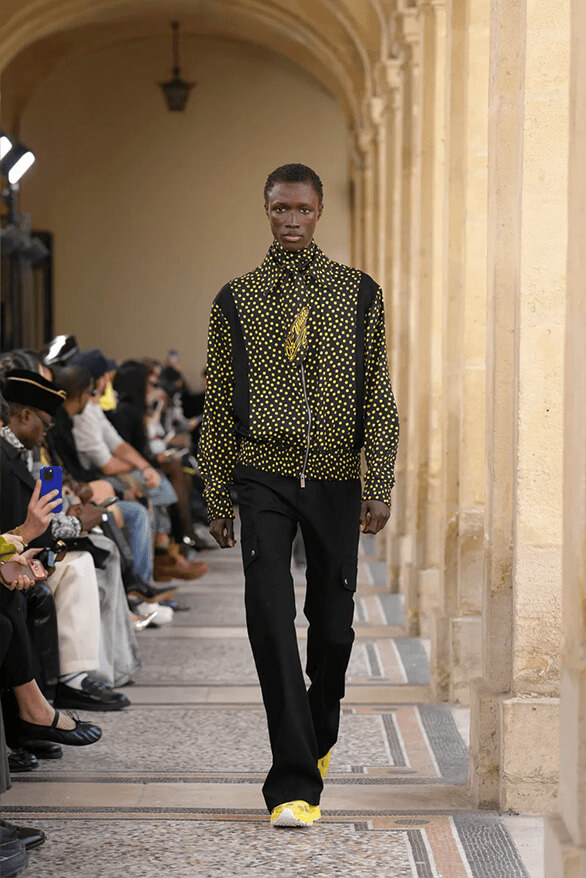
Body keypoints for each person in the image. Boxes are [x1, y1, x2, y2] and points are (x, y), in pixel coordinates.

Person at [199, 163, 399, 828]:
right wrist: (218, 494)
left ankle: (319, 734)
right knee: (269, 613)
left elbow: (377, 390)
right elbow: (219, 401)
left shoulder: (358, 293)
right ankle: (292, 783)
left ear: (319, 212)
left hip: (337, 476)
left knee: (333, 629)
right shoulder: (236, 299)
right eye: (281, 209)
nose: (291, 221)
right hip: (263, 473)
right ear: (266, 209)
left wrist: (379, 481)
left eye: (303, 210)